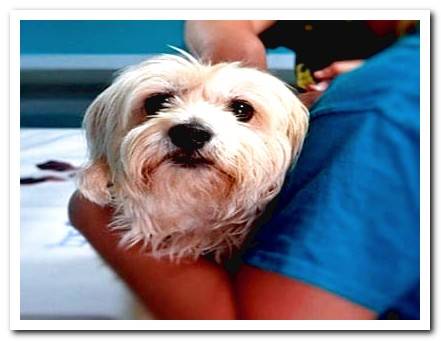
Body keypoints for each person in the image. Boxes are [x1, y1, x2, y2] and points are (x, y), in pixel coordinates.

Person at [69, 20, 420, 319]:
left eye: (240, 110)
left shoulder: (380, 107)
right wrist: (239, 69)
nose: (191, 125)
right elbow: (218, 17)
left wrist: (90, 211)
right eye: (159, 102)